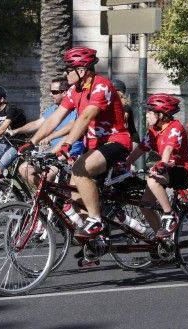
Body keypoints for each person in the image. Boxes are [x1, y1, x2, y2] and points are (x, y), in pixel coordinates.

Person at [19, 46, 132, 239]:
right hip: (94, 146)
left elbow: (86, 117)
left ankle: (96, 221)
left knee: (80, 170)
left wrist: (67, 144)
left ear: (82, 70)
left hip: (116, 142)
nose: (66, 73)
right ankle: (96, 242)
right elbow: (54, 119)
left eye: (69, 69)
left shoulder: (101, 86)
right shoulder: (74, 91)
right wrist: (31, 142)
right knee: (76, 197)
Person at [124, 93, 188, 238]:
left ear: (161, 114)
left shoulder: (175, 127)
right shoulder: (154, 131)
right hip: (166, 169)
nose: (146, 115)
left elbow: (168, 148)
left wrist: (162, 164)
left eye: (149, 112)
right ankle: (162, 241)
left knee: (153, 178)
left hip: (180, 170)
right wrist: (126, 164)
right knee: (145, 205)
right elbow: (141, 149)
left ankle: (170, 215)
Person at [11, 77, 84, 187]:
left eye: (54, 92)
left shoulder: (75, 109)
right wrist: (15, 131)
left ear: (65, 93)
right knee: (23, 169)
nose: (50, 95)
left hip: (69, 151)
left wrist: (50, 137)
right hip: (52, 152)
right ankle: (43, 198)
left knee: (48, 174)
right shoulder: (53, 109)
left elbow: (72, 127)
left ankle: (48, 200)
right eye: (50, 91)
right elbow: (37, 124)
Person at [0, 86, 27, 179]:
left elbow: (2, 129)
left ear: (2, 99)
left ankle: (5, 190)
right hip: (5, 142)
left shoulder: (11, 109)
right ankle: (1, 177)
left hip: (16, 144)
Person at [111, 79, 140, 146]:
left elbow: (123, 120)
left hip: (131, 140)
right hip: (119, 140)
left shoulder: (125, 107)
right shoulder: (113, 106)